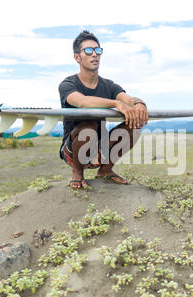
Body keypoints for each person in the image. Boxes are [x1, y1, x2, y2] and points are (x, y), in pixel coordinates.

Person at [59, 30, 148, 189]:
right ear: (77, 57)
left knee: (134, 125)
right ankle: (77, 173)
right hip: (73, 151)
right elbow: (82, 102)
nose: (94, 54)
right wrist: (116, 104)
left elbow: (127, 99)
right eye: (88, 50)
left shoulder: (109, 85)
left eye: (97, 50)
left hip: (102, 149)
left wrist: (139, 104)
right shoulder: (68, 84)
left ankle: (105, 170)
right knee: (89, 123)